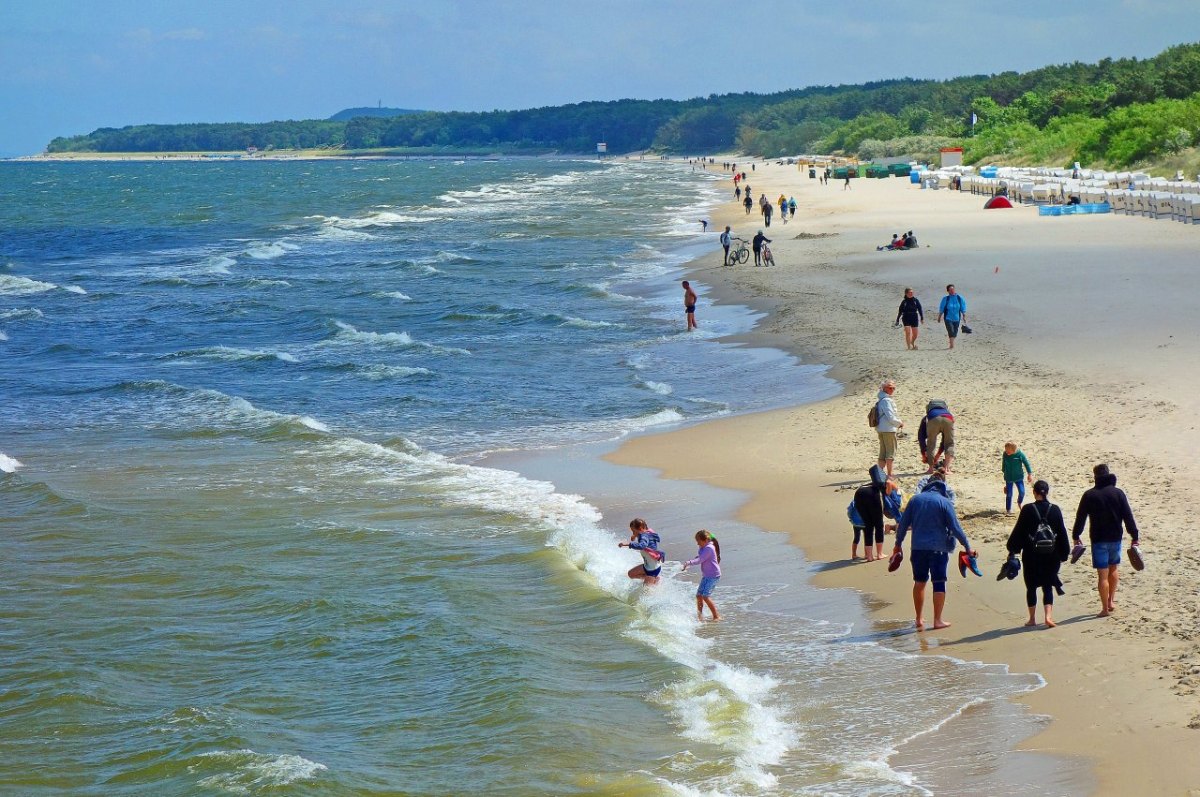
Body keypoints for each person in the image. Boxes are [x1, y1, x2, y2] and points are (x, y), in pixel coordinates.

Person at [893, 472, 974, 631]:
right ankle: (937, 620)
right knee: (939, 583)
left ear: (927, 485)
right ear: (942, 486)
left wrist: (898, 544)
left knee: (919, 582)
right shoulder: (945, 502)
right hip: (938, 550)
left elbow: (903, 525)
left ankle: (918, 619)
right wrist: (967, 547)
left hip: (918, 548)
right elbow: (955, 528)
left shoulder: (915, 500)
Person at [1072, 463, 1141, 617]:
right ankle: (1111, 601)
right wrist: (1134, 536)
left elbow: (1080, 518)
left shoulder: (1089, 495)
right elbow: (1128, 516)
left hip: (1098, 539)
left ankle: (1104, 609)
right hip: (1115, 538)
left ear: (1095, 477)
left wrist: (1076, 536)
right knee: (1114, 569)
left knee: (1102, 575)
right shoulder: (1118, 493)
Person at [1006, 480, 1070, 627]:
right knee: (1048, 585)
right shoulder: (1055, 509)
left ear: (1034, 492)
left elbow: (1019, 532)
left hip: (1031, 555)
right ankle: (1048, 617)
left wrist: (1013, 549)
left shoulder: (1027, 509)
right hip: (1051, 555)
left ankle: (1032, 619)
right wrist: (1064, 553)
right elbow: (1062, 533)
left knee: (1031, 587)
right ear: (1047, 492)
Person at [849, 465, 903, 561]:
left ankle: (869, 556)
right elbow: (889, 484)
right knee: (878, 525)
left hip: (859, 493)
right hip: (873, 495)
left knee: (868, 525)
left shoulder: (873, 482)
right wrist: (888, 493)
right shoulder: (890, 484)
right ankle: (879, 554)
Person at [682, 529, 722, 621]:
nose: (697, 544)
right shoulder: (704, 547)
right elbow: (701, 557)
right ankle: (700, 617)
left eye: (698, 541)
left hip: (713, 575)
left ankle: (716, 616)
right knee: (699, 595)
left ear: (706, 540)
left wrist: (688, 562)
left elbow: (700, 560)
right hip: (707, 575)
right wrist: (695, 558)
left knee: (705, 596)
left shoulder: (709, 548)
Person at [618, 518, 664, 585]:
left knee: (646, 592)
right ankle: (654, 579)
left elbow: (642, 545)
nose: (633, 533)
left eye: (633, 531)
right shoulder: (647, 532)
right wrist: (634, 535)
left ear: (640, 528)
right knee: (631, 574)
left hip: (652, 569)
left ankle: (653, 579)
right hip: (647, 566)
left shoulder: (644, 536)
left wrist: (628, 544)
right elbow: (643, 536)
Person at [874, 379, 903, 477]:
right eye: (890, 388)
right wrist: (899, 423)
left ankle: (880, 473)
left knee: (883, 452)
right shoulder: (886, 400)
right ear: (884, 388)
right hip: (888, 429)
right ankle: (890, 474)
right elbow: (890, 416)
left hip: (880, 429)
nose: (892, 390)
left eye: (893, 388)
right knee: (890, 452)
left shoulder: (881, 399)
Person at [918, 399, 955, 473]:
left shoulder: (927, 417)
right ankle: (947, 469)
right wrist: (938, 455)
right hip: (949, 418)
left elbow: (921, 437)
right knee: (949, 443)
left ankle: (931, 469)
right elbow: (945, 441)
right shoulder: (946, 412)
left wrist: (924, 454)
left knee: (931, 443)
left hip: (933, 418)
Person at [1002, 442, 1034, 514]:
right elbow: (1003, 463)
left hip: (1018, 477)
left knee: (1022, 492)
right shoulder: (1005, 454)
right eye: (1005, 450)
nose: (1006, 452)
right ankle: (1008, 509)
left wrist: (1029, 474)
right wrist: (1004, 471)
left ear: (1014, 450)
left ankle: (1019, 502)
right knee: (1009, 494)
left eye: (1008, 451)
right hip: (1009, 477)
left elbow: (1026, 463)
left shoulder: (1019, 454)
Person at [936, 284, 967, 349]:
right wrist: (939, 317)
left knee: (955, 332)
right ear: (948, 291)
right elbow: (942, 308)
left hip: (956, 318)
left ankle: (952, 341)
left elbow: (963, 307)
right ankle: (951, 345)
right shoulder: (946, 299)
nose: (952, 291)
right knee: (951, 330)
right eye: (950, 290)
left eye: (953, 289)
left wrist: (964, 316)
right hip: (948, 318)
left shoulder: (959, 298)